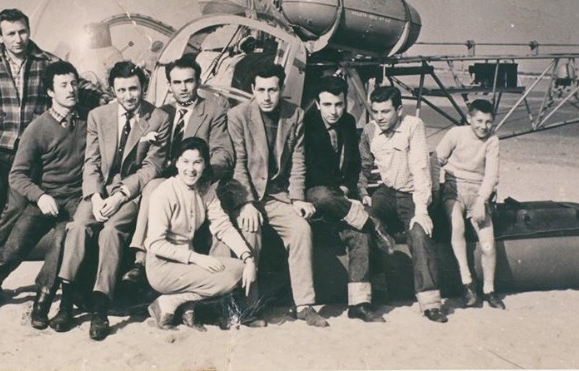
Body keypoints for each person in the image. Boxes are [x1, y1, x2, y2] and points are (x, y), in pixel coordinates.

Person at [0, 62, 89, 328]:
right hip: (45, 197)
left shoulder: (89, 122)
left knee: (60, 243)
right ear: (49, 91)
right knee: (13, 247)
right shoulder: (37, 128)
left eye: (74, 83)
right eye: (63, 85)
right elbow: (18, 175)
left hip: (77, 201)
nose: (71, 90)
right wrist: (41, 196)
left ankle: (41, 303)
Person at [51, 61, 169, 341]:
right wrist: (94, 196)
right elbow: (91, 161)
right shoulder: (98, 116)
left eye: (134, 89)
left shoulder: (159, 119)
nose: (129, 96)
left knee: (112, 232)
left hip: (130, 193)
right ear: (113, 90)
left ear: (143, 87)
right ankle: (66, 303)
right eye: (122, 90)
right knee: (78, 226)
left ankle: (100, 308)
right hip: (99, 192)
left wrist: (119, 196)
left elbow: (152, 167)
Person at [224, 63, 328, 328]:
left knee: (301, 230)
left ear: (282, 89)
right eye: (261, 90)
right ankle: (249, 309)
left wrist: (297, 198)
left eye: (273, 90)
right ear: (252, 90)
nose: (267, 96)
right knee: (251, 232)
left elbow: (298, 161)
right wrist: (246, 203)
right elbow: (239, 164)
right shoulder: (238, 115)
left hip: (278, 196)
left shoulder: (295, 115)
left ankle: (304, 304)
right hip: (248, 195)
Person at [123, 57, 234, 285]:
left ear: (198, 82)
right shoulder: (161, 112)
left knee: (156, 188)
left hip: (196, 177)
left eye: (188, 81)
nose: (183, 88)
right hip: (164, 178)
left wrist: (205, 174)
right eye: (177, 83)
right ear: (169, 85)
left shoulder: (213, 110)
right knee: (152, 186)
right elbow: (142, 154)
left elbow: (223, 152)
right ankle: (140, 258)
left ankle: (144, 260)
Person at [0, 9, 59, 247]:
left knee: (20, 216)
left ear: (29, 31)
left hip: (31, 154)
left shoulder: (49, 63)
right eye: (11, 33)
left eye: (23, 32)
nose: (18, 39)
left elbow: (78, 88)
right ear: (0, 36)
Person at [304, 76, 394, 322]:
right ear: (318, 103)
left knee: (359, 234)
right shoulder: (306, 124)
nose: (334, 111)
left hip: (341, 199)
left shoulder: (348, 122)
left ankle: (359, 304)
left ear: (346, 103)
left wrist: (345, 188)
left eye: (339, 105)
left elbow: (354, 164)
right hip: (314, 197)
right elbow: (310, 170)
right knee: (322, 194)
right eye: (328, 105)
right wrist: (336, 193)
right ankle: (373, 224)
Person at [145, 137, 255, 331]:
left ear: (205, 164)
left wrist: (248, 258)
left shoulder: (205, 190)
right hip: (162, 267)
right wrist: (195, 258)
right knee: (233, 274)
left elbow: (223, 226)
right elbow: (154, 244)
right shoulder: (164, 193)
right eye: (185, 161)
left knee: (240, 268)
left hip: (186, 266)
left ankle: (182, 305)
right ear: (176, 162)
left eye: (197, 162)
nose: (191, 169)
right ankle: (171, 302)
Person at [358, 85, 447, 323]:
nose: (380, 117)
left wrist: (421, 210)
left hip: (412, 192)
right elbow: (364, 165)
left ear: (399, 109)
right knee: (365, 220)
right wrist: (362, 190)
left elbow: (420, 168)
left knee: (419, 233)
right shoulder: (370, 130)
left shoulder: (413, 126)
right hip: (387, 192)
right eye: (375, 111)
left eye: (385, 111)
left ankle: (430, 303)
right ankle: (378, 289)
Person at [436, 99, 505, 310]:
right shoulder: (456, 134)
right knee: (457, 226)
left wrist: (482, 201)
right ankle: (467, 283)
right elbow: (436, 158)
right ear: (469, 118)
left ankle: (489, 290)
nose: (483, 127)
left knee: (488, 242)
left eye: (488, 122)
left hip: (478, 191)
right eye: (479, 121)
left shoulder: (492, 141)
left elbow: (492, 173)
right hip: (453, 189)